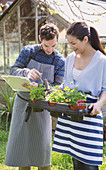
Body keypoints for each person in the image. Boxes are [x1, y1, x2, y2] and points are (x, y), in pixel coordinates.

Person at [5, 23, 65, 170]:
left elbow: (58, 86)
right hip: (23, 105)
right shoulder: (28, 52)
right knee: (22, 152)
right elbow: (13, 70)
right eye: (46, 46)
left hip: (42, 109)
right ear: (40, 39)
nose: (50, 50)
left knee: (42, 155)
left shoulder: (59, 61)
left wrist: (45, 89)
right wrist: (26, 73)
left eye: (53, 46)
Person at [52, 22, 106, 170]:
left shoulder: (101, 60)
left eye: (74, 43)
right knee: (76, 162)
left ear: (85, 39)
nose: (71, 46)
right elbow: (65, 85)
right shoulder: (70, 58)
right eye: (69, 43)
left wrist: (98, 105)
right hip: (71, 115)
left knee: (89, 163)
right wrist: (54, 94)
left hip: (89, 114)